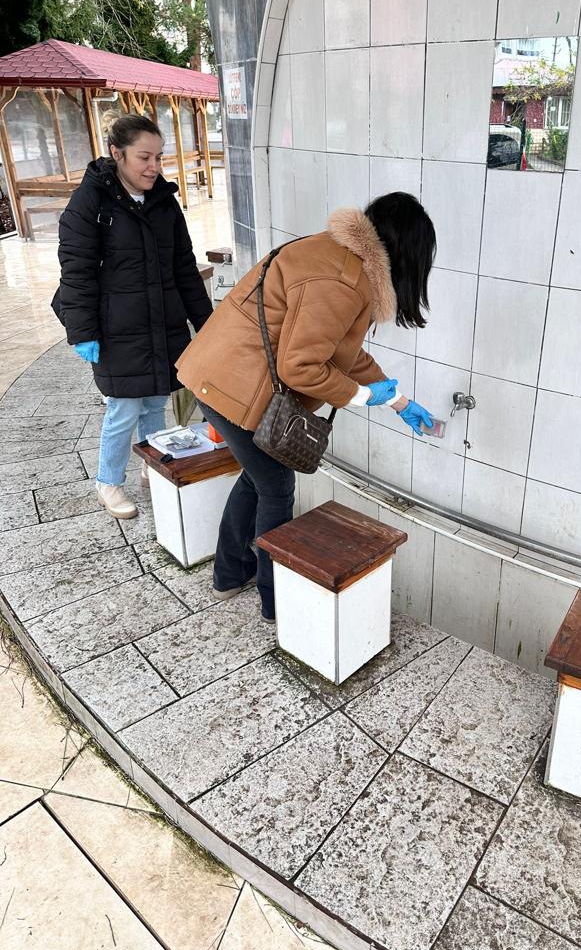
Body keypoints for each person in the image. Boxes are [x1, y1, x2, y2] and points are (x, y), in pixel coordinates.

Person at [176, 192, 436, 621]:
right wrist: (363, 396)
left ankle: (229, 574)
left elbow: (343, 352)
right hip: (231, 385)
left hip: (224, 374)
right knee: (276, 485)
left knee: (259, 478)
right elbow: (300, 367)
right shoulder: (342, 280)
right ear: (406, 253)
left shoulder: (338, 258)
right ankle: (274, 601)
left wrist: (396, 398)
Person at [57, 113, 213, 519]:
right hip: (117, 328)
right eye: (144, 157)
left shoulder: (164, 200)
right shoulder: (90, 201)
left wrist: (207, 323)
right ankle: (108, 483)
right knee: (123, 408)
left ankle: (154, 462)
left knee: (156, 402)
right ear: (117, 154)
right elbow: (76, 270)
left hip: (162, 323)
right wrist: (82, 331)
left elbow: (184, 266)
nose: (154, 167)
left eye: (159, 158)